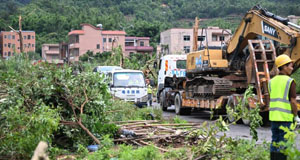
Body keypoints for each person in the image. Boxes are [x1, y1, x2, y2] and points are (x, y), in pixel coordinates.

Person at [268, 54, 299, 160]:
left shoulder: (271, 82)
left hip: (273, 118)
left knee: (275, 142)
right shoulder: (290, 82)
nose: (292, 68)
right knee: (284, 145)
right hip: (285, 119)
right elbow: (293, 102)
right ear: (284, 67)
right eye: (290, 66)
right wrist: (296, 116)